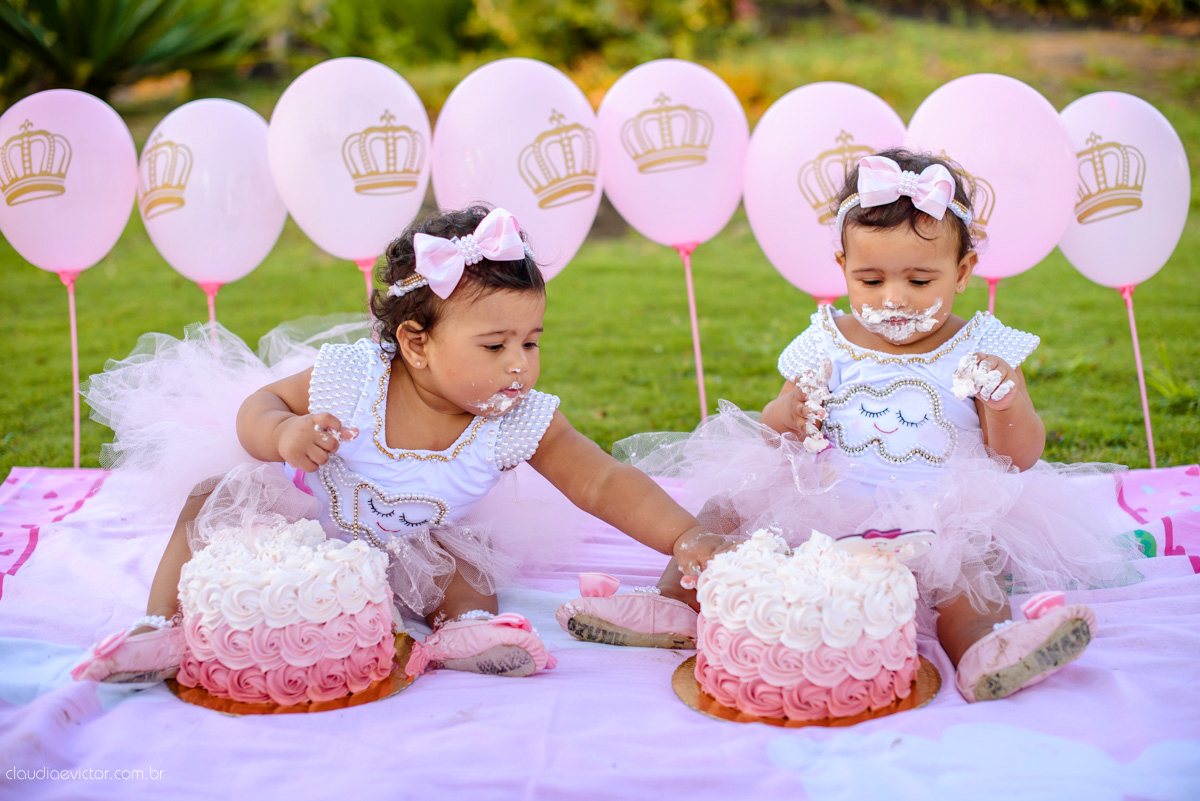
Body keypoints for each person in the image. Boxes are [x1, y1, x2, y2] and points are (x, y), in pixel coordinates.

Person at [555, 150, 1144, 703]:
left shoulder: (982, 345)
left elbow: (1017, 459)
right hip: (825, 499)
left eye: (919, 282)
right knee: (724, 510)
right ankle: (673, 606)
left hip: (940, 507)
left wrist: (1006, 400)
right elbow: (773, 426)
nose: (895, 299)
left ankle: (985, 649)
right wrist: (791, 414)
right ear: (842, 268)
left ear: (962, 271)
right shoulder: (828, 339)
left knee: (970, 565)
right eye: (870, 281)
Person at [72, 206, 728, 684]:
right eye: (495, 345)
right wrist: (285, 433)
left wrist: (682, 536)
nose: (519, 365)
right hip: (308, 532)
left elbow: (603, 481)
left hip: (406, 550)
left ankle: (465, 630)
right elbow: (257, 407)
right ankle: (162, 624)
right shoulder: (354, 378)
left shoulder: (515, 415)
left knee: (463, 566)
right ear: (415, 343)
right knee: (214, 498)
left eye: (531, 341)